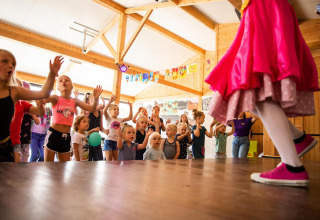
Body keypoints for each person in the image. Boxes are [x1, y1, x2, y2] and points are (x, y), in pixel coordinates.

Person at [205, 0, 319, 186]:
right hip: (264, 8)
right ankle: (297, 140)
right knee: (247, 92)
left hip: (262, 7)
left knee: (254, 87)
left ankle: (293, 166)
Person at [0, 49, 60, 162]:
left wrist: (52, 74)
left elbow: (43, 93)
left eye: (13, 64)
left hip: (6, 145)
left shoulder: (14, 92)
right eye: (5, 61)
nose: (10, 66)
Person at [42, 75, 103, 162]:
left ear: (71, 86)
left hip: (66, 136)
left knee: (63, 167)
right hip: (53, 134)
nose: (64, 81)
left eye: (66, 80)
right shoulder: (56, 98)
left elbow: (91, 109)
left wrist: (95, 98)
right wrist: (51, 76)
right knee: (48, 166)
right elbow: (43, 97)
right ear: (58, 87)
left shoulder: (75, 101)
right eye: (60, 80)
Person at [103, 95, 132, 161]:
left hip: (116, 141)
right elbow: (104, 111)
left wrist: (130, 107)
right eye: (114, 109)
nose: (116, 111)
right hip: (109, 141)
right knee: (109, 161)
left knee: (116, 161)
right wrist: (110, 101)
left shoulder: (120, 120)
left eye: (118, 110)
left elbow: (130, 118)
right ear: (110, 111)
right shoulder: (109, 118)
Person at [82, 93, 107, 161]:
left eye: (97, 100)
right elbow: (93, 109)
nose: (96, 102)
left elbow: (101, 127)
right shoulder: (87, 111)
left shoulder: (100, 113)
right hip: (86, 140)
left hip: (96, 140)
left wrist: (105, 131)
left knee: (99, 160)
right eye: (94, 100)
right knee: (87, 160)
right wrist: (102, 105)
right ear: (88, 102)